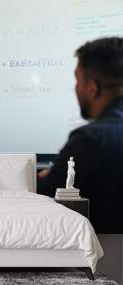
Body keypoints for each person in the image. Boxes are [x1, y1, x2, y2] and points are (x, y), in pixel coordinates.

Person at [38, 37, 123, 233]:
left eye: (77, 81)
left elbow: (42, 201)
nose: (76, 88)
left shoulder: (90, 140)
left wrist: (49, 178)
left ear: (92, 88)